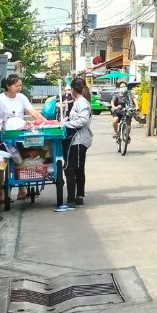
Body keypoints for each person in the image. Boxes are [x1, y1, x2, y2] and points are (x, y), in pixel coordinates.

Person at [0, 74, 45, 206]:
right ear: (8, 86)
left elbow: (32, 112)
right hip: (2, 139)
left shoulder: (22, 98)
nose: (19, 88)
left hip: (19, 137)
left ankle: (22, 190)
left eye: (20, 85)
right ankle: (0, 195)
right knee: (0, 167)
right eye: (16, 85)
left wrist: (44, 121)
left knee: (21, 163)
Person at [60, 76, 93, 212]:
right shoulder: (78, 102)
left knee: (70, 169)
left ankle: (71, 201)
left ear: (73, 90)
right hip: (76, 140)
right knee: (78, 169)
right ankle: (79, 197)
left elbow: (83, 121)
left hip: (78, 140)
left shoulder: (82, 103)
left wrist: (66, 124)